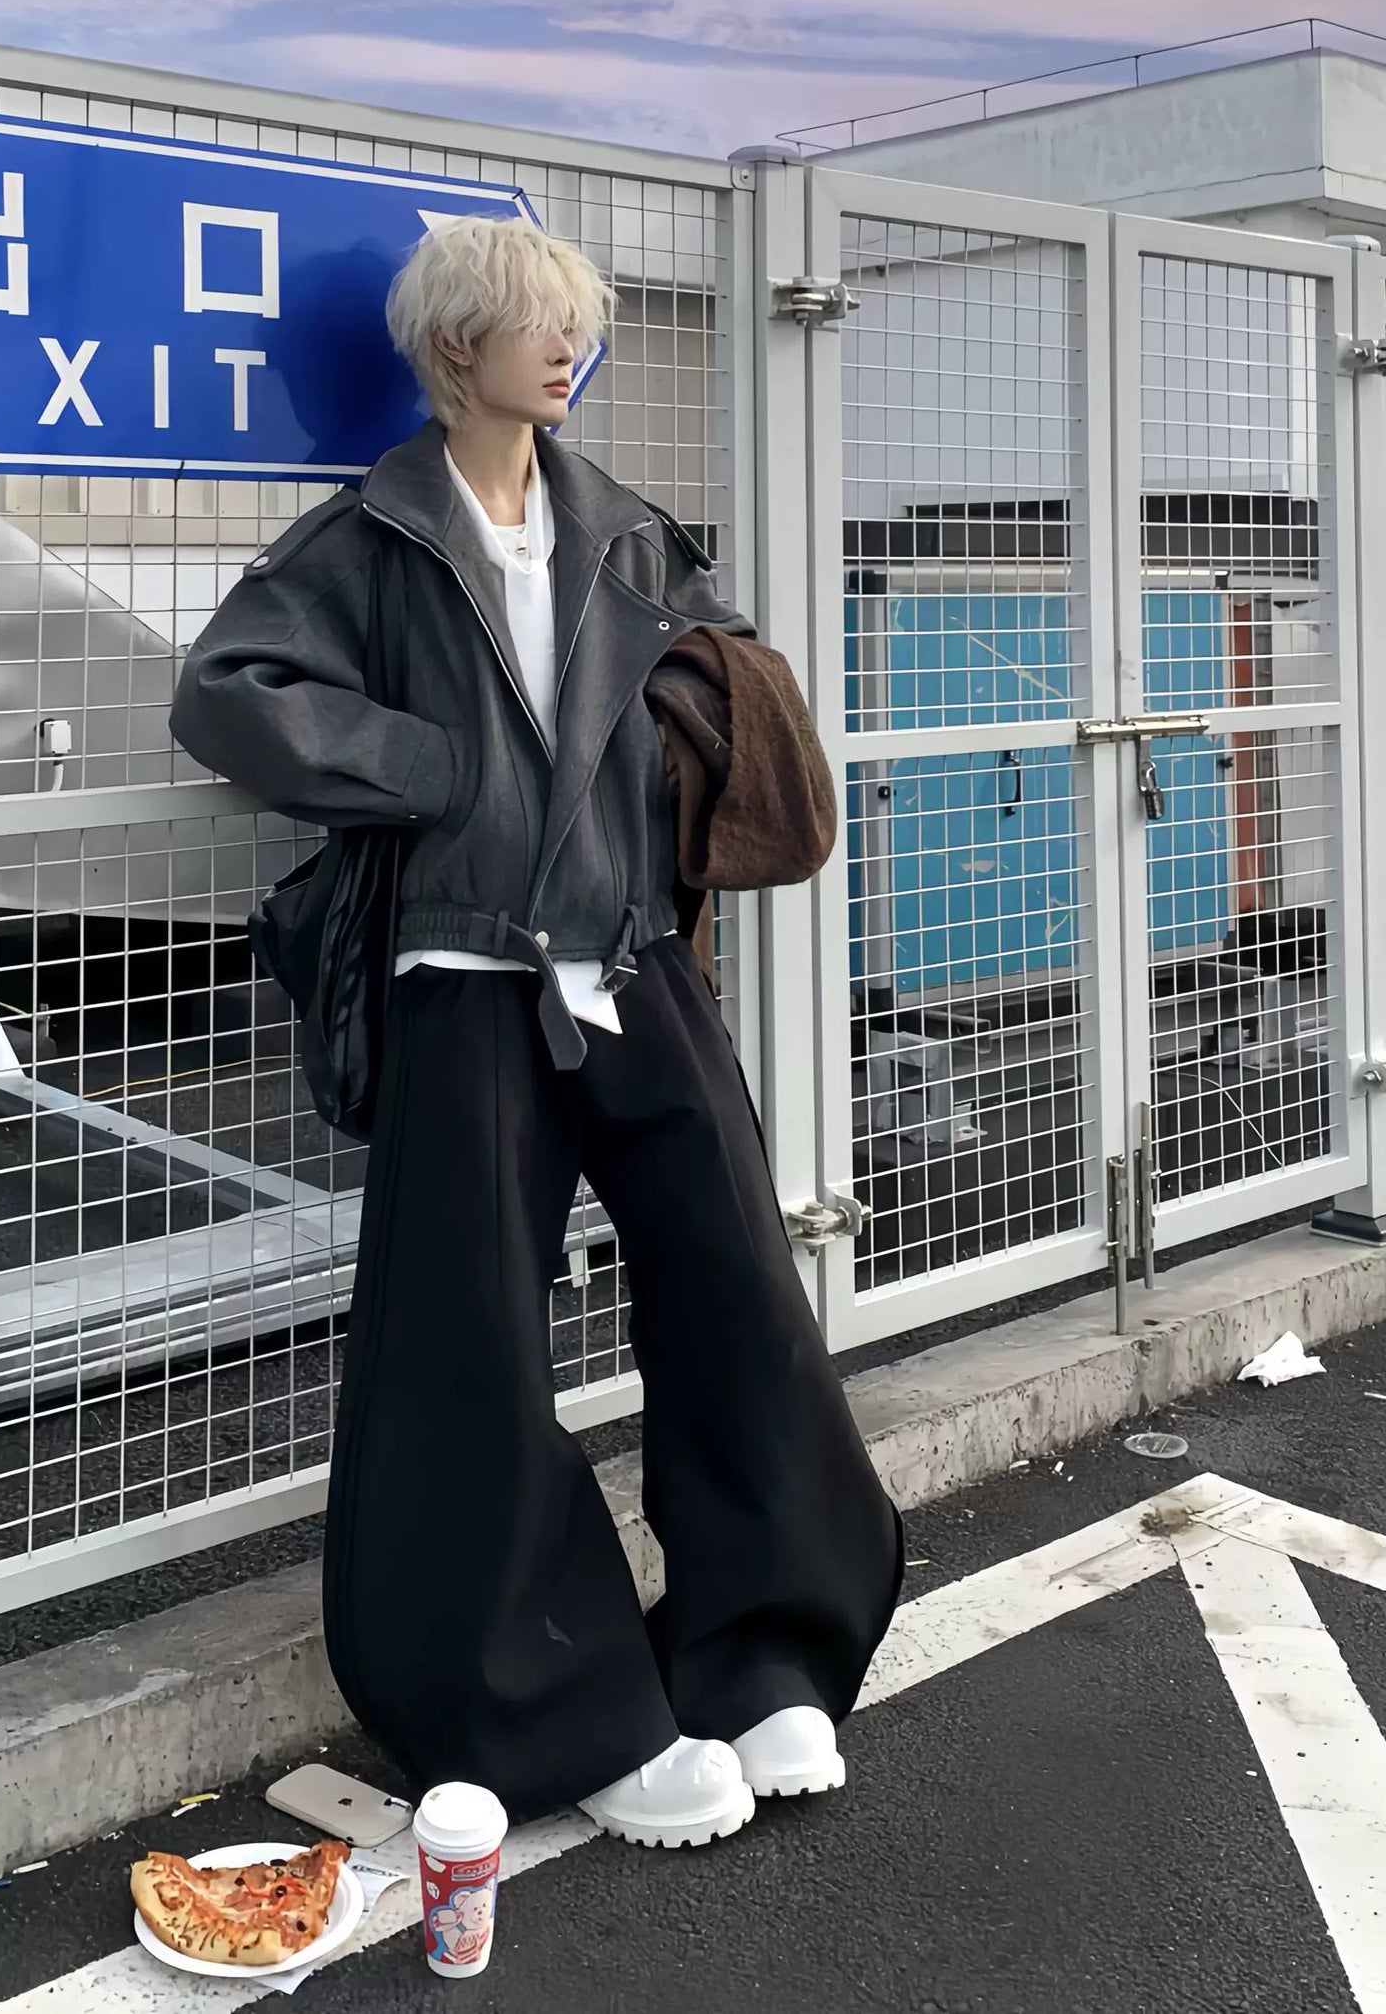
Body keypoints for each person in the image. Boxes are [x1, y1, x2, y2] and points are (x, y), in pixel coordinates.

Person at [171, 218, 902, 1847]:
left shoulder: (620, 527)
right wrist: (437, 771)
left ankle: (763, 1648)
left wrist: (663, 744)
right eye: (536, 327)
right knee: (471, 1344)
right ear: (456, 348)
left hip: (633, 963)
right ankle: (553, 1710)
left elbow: (718, 670)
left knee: (739, 1292)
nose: (567, 352)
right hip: (461, 973)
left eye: (575, 325)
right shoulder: (370, 535)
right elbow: (227, 691)